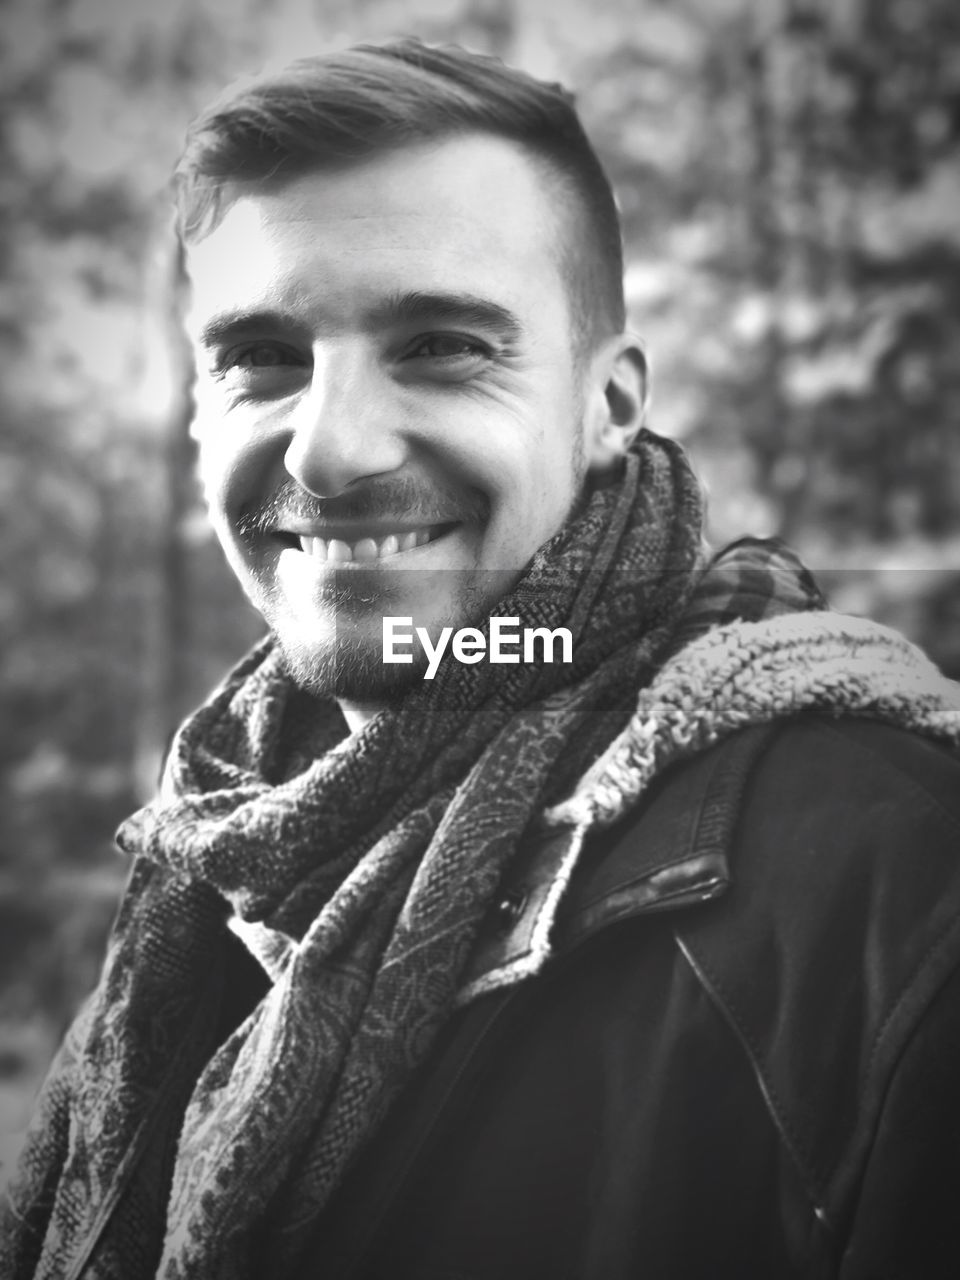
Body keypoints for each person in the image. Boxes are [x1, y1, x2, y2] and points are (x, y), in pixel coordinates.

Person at [3, 37, 960, 1280]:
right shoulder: (216, 862)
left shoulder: (892, 887)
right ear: (196, 417)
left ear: (609, 406)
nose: (326, 453)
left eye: (443, 345)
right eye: (264, 359)